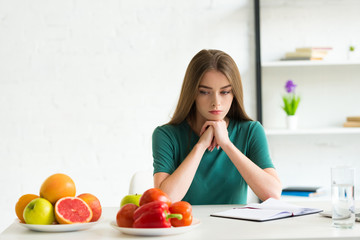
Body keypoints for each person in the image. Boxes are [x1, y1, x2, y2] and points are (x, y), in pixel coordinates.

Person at [152, 49, 281, 205]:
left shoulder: (251, 131)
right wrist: (200, 146)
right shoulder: (166, 135)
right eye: (205, 92)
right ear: (192, 93)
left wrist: (226, 144)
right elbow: (165, 200)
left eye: (225, 92)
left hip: (235, 227)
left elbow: (273, 193)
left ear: (234, 93)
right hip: (186, 227)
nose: (216, 102)